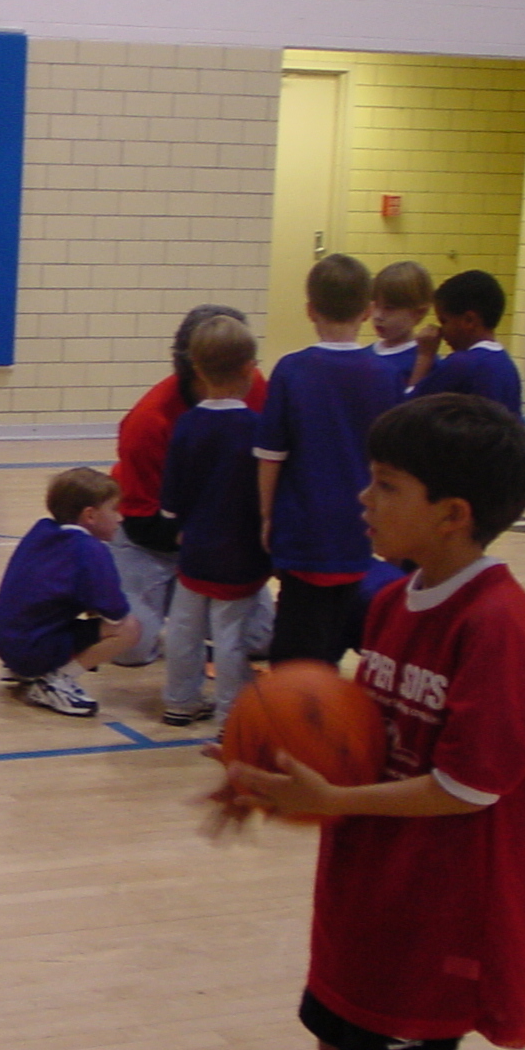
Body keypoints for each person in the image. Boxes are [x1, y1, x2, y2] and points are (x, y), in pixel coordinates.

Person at [217, 393, 525, 1050]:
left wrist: (335, 801)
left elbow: (470, 786)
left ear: (452, 514)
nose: (363, 500)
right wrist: (266, 772)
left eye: (385, 485)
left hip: (440, 903)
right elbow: (364, 738)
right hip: (369, 882)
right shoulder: (394, 600)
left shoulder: (498, 624)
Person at [257, 254, 402, 665]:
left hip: (303, 525)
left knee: (296, 645)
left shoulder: (292, 370)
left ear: (310, 310)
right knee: (334, 625)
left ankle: (303, 699)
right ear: (367, 310)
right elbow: (394, 459)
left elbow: (271, 455)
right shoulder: (385, 374)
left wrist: (265, 515)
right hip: (359, 523)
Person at [108, 305, 269, 667]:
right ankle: (110, 574)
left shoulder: (256, 388)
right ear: (195, 367)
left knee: (261, 638)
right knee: (131, 650)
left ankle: (187, 620)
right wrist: (206, 543)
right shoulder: (149, 422)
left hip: (216, 535)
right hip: (154, 540)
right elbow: (143, 521)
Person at [158, 316, 271, 729]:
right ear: (249, 369)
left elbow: (172, 492)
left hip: (195, 547)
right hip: (240, 550)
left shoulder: (187, 424)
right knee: (230, 635)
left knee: (183, 628)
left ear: (198, 370)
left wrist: (176, 520)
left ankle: (180, 700)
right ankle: (230, 715)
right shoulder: (256, 428)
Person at [0, 467, 140, 718]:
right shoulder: (90, 550)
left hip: (5, 639)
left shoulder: (42, 530)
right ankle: (57, 681)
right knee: (129, 628)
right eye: (114, 509)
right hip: (31, 649)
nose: (120, 518)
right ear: (90, 515)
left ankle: (25, 669)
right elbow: (115, 612)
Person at [405, 269, 521, 414]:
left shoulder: (462, 364)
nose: (441, 331)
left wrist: (425, 356)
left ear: (469, 320)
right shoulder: (506, 365)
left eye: (444, 321)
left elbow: (408, 412)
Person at [370, 260, 433, 388]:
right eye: (376, 305)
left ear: (419, 312)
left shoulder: (423, 361)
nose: (378, 316)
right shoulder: (364, 354)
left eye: (389, 308)